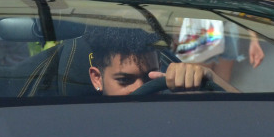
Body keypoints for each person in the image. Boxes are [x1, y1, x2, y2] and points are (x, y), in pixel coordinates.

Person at [86, 26, 221, 96]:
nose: (140, 88)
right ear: (97, 78)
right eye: (124, 80)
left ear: (160, 68)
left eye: (149, 78)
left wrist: (209, 78)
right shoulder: (83, 124)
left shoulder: (177, 111)